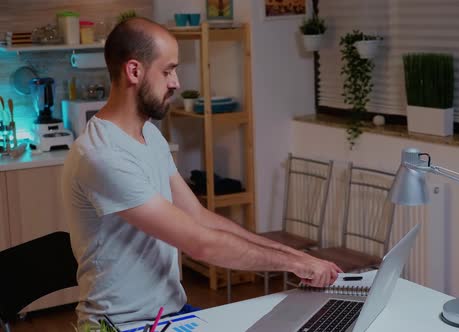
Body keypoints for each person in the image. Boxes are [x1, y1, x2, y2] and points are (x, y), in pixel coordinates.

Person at [61, 17, 342, 327]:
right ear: (134, 71)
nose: (176, 82)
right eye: (167, 71)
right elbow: (200, 243)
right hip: (120, 324)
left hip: (168, 313)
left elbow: (197, 216)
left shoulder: (149, 135)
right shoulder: (102, 155)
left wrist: (296, 257)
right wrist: (294, 263)